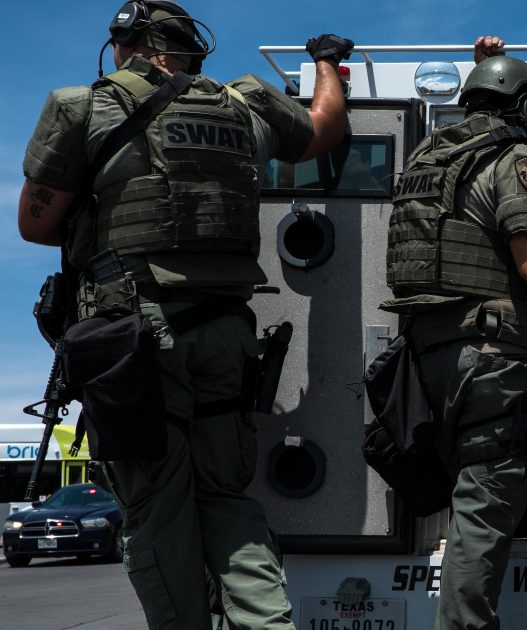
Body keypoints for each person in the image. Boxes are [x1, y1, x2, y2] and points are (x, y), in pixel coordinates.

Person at [17, 2, 351, 628]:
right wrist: (327, 63)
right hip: (228, 337)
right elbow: (324, 131)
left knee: (158, 511)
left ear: (129, 45)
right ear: (192, 50)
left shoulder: (83, 105)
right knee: (226, 497)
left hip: (133, 341)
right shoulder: (245, 106)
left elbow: (36, 225)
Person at [381, 36, 527, 630]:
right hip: (496, 359)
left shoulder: (427, 159)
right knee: (483, 512)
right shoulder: (517, 159)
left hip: (428, 357)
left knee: (466, 503)